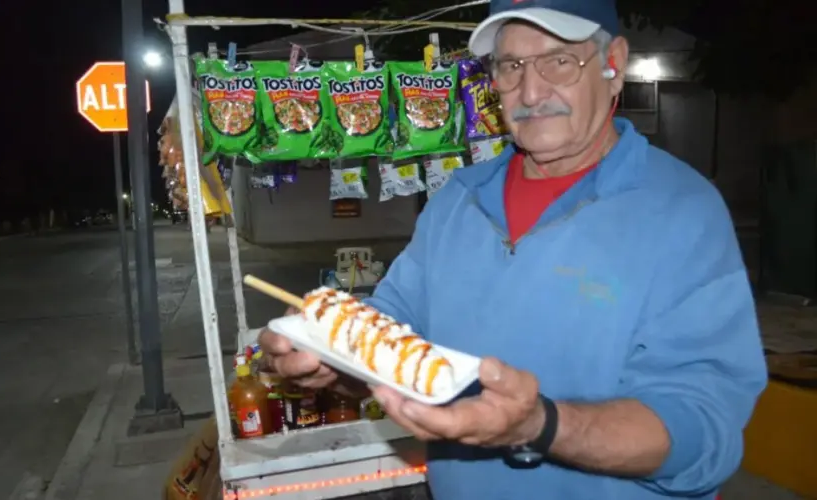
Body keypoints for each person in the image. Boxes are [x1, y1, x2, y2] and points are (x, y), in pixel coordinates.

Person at [259, 0, 768, 497]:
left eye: (558, 61)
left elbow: (703, 431)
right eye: (511, 65)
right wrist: (330, 354)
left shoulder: (683, 211)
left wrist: (540, 426)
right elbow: (393, 327)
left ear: (613, 62)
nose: (530, 90)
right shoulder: (457, 200)